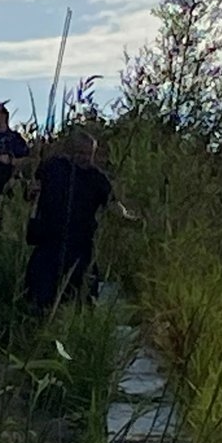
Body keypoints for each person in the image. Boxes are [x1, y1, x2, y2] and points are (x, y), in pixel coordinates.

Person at [24, 129, 135, 311]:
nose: (85, 158)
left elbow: (113, 204)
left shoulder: (97, 179)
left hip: (80, 247)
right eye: (81, 153)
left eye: (89, 154)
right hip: (48, 243)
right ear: (70, 151)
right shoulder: (53, 167)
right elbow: (33, 192)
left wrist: (128, 218)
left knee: (81, 298)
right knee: (39, 299)